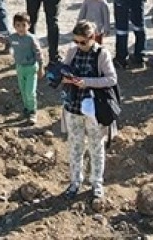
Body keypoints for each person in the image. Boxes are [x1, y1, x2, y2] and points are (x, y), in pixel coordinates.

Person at [60, 20, 119, 200]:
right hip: (73, 107)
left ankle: (96, 182)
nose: (79, 45)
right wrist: (65, 78)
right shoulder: (72, 52)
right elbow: (63, 74)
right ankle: (75, 181)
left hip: (94, 110)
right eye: (76, 41)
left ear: (92, 38)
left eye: (82, 42)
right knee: (75, 147)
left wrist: (87, 82)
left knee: (96, 146)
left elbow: (111, 79)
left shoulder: (102, 54)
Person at [8, 12, 43, 122]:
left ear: (29, 25)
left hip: (31, 68)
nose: (21, 28)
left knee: (30, 91)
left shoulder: (31, 39)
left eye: (24, 25)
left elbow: (38, 53)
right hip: (20, 68)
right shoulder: (13, 37)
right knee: (23, 90)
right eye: (18, 25)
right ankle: (26, 108)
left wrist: (41, 67)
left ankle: (33, 111)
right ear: (14, 26)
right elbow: (4, 40)